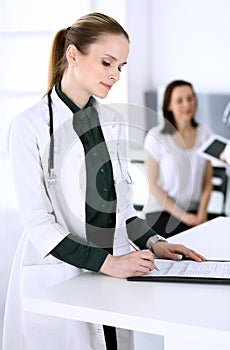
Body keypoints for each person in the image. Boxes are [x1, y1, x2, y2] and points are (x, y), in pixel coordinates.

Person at [3, 14, 205, 350]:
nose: (115, 75)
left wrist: (154, 243)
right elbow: (38, 224)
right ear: (73, 56)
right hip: (63, 274)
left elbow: (120, 208)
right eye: (107, 62)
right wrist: (108, 263)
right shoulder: (29, 126)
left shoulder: (112, 121)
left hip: (113, 272)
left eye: (121, 66)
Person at [141, 80, 213, 238]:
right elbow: (153, 186)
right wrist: (182, 216)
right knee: (190, 243)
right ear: (169, 106)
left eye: (190, 98)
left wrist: (202, 214)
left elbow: (207, 183)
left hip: (194, 212)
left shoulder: (206, 135)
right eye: (179, 100)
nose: (187, 104)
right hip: (161, 212)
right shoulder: (156, 136)